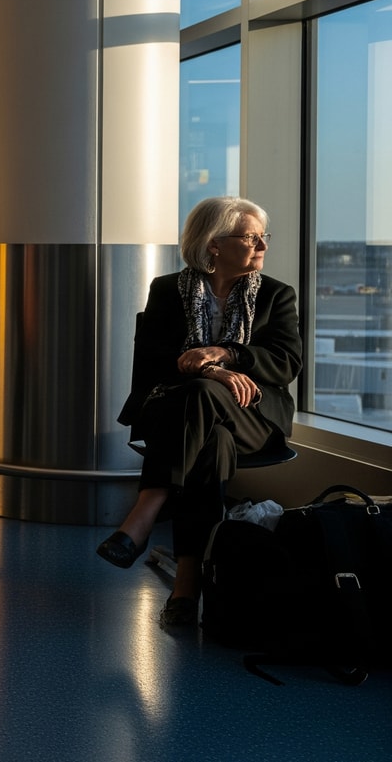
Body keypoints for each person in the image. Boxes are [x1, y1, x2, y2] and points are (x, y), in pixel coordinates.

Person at [97, 196, 301, 626]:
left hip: (255, 418)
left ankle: (147, 510)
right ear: (214, 244)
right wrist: (214, 373)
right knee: (211, 435)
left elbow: (286, 362)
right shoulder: (167, 290)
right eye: (251, 237)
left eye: (265, 236)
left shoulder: (277, 295)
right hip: (179, 411)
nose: (263, 245)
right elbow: (153, 362)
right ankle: (187, 586)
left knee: (202, 397)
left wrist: (226, 355)